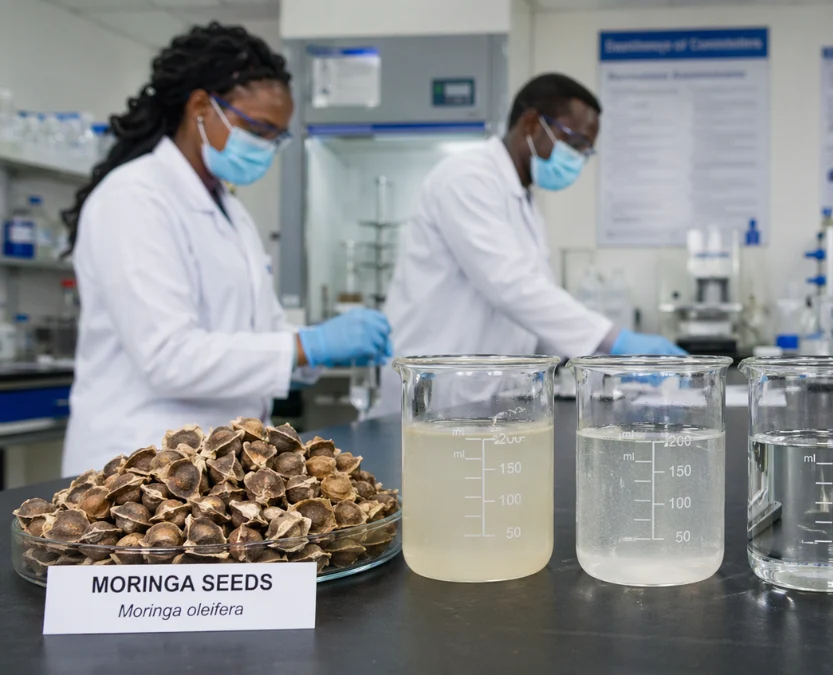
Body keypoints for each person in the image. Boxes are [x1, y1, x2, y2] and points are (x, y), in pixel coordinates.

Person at [60, 24, 392, 475]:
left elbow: (259, 332)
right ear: (200, 107)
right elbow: (168, 357)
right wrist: (306, 346)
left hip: (216, 466)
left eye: (277, 137)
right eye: (258, 129)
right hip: (136, 464)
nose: (267, 147)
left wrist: (320, 350)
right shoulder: (133, 198)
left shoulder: (232, 214)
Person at [376, 73, 683, 413]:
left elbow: (535, 303)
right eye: (575, 143)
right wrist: (614, 341)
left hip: (481, 396)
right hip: (434, 394)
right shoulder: (465, 178)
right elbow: (511, 286)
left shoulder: (523, 203)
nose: (579, 159)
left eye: (586, 150)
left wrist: (606, 363)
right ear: (532, 123)